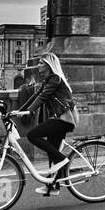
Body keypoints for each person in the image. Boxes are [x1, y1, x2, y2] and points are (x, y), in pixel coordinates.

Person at [17, 53, 78, 196]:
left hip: (63, 120)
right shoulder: (49, 80)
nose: (38, 65)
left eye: (41, 63)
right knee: (52, 153)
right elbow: (36, 95)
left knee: (32, 135)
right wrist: (19, 111)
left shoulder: (55, 79)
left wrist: (29, 111)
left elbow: (43, 97)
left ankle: (63, 160)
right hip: (57, 120)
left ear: (49, 65)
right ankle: (53, 186)